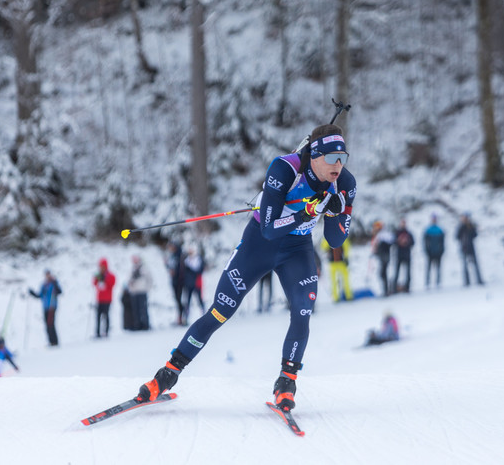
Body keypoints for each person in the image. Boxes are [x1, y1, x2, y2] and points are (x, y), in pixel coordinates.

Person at [134, 123, 356, 412]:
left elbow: (335, 238)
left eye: (342, 158)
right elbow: (268, 229)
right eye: (330, 158)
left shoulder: (345, 183)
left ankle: (286, 384)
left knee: (303, 311)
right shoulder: (285, 169)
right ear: (314, 155)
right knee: (220, 311)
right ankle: (166, 375)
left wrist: (337, 210)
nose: (337, 165)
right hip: (259, 245)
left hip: (297, 250)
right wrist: (305, 212)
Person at [28, 269, 62, 346]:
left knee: (51, 324)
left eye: (48, 274)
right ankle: (51, 341)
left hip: (52, 306)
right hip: (45, 307)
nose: (47, 276)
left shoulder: (54, 283)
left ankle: (54, 341)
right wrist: (32, 293)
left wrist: (55, 283)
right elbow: (39, 295)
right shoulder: (44, 285)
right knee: (47, 324)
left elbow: (60, 291)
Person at [321, 236, 353, 302]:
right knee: (334, 280)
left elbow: (346, 247)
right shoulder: (329, 238)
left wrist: (346, 257)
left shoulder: (341, 236)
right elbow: (323, 247)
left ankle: (348, 296)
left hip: (341, 262)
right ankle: (336, 297)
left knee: (345, 279)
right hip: (333, 263)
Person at [456, 213, 484, 286]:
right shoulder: (461, 226)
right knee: (465, 265)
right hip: (464, 247)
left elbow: (475, 235)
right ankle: (467, 281)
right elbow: (457, 236)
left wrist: (471, 227)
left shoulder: (470, 226)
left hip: (471, 247)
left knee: (475, 265)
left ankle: (479, 280)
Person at [181, 244, 205, 326]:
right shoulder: (186, 260)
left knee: (200, 300)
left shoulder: (198, 259)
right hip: (188, 283)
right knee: (187, 301)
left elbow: (199, 270)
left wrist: (189, 267)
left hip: (197, 283)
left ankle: (204, 316)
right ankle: (186, 318)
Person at [92, 258, 116, 338]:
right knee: (98, 316)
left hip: (107, 299)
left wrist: (105, 280)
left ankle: (106, 331)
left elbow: (112, 284)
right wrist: (97, 279)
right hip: (99, 299)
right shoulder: (98, 275)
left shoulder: (110, 275)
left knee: (106, 315)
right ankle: (98, 332)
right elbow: (94, 283)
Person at [128, 255, 153, 330]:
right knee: (136, 310)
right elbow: (129, 279)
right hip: (134, 292)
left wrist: (147, 288)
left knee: (143, 309)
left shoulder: (144, 268)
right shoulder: (132, 269)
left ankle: (145, 325)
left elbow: (150, 279)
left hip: (142, 291)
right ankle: (137, 325)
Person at [370, 221, 394, 296]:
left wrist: (377, 251)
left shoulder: (383, 235)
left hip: (385, 256)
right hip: (383, 256)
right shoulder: (382, 235)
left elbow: (385, 245)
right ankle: (386, 290)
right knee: (383, 274)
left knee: (383, 274)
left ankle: (386, 291)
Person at [392, 218, 414, 293]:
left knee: (408, 272)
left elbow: (413, 243)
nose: (403, 224)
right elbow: (393, 242)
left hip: (407, 255)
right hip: (399, 255)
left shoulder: (408, 233)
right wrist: (399, 241)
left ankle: (407, 287)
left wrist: (407, 242)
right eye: (402, 223)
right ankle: (394, 288)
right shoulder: (397, 233)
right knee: (397, 272)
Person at [165, 242, 185, 326]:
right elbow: (170, 267)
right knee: (177, 300)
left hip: (180, 281)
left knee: (180, 299)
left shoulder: (180, 255)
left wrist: (175, 273)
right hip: (174, 281)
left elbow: (181, 268)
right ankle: (179, 318)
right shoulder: (172, 256)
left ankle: (182, 317)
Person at [423, 214, 445, 288]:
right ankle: (428, 282)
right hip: (430, 252)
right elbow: (425, 242)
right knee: (429, 268)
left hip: (438, 252)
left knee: (438, 267)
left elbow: (442, 242)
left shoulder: (440, 230)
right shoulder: (428, 230)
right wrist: (427, 250)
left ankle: (438, 282)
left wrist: (442, 250)